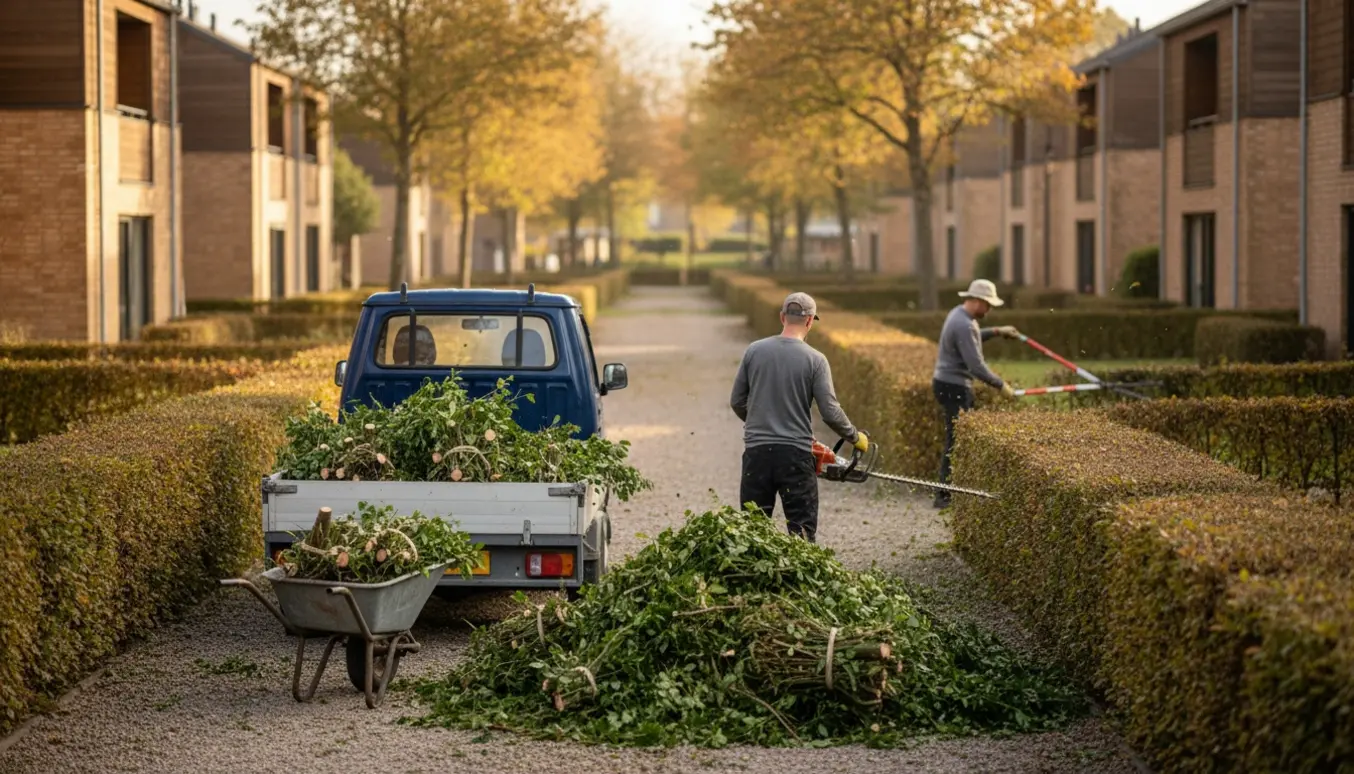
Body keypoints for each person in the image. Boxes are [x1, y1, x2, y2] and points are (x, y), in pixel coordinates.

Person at [730, 292, 867, 542]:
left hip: (757, 455)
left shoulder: (754, 351)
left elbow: (737, 401)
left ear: (783, 317)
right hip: (795, 457)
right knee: (801, 533)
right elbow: (830, 412)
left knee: (750, 533)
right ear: (810, 321)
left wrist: (761, 423)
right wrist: (854, 436)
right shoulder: (816, 360)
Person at [932, 279, 1020, 509]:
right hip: (955, 387)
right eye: (988, 304)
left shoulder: (959, 315)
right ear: (978, 301)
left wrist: (998, 331)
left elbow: (971, 338)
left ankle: (947, 492)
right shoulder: (965, 324)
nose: (989, 310)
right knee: (958, 440)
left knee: (956, 437)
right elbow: (976, 366)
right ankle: (944, 496)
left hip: (944, 383)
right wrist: (1000, 385)